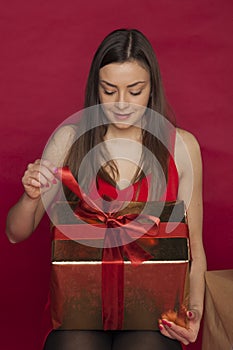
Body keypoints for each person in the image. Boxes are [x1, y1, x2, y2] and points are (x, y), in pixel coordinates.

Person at [6, 28, 207, 350]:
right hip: (78, 311)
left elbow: (193, 247)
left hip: (154, 313)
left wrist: (194, 312)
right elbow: (16, 233)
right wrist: (30, 197)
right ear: (95, 89)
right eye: (109, 90)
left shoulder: (181, 146)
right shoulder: (70, 139)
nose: (122, 103)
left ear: (152, 87)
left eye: (135, 90)